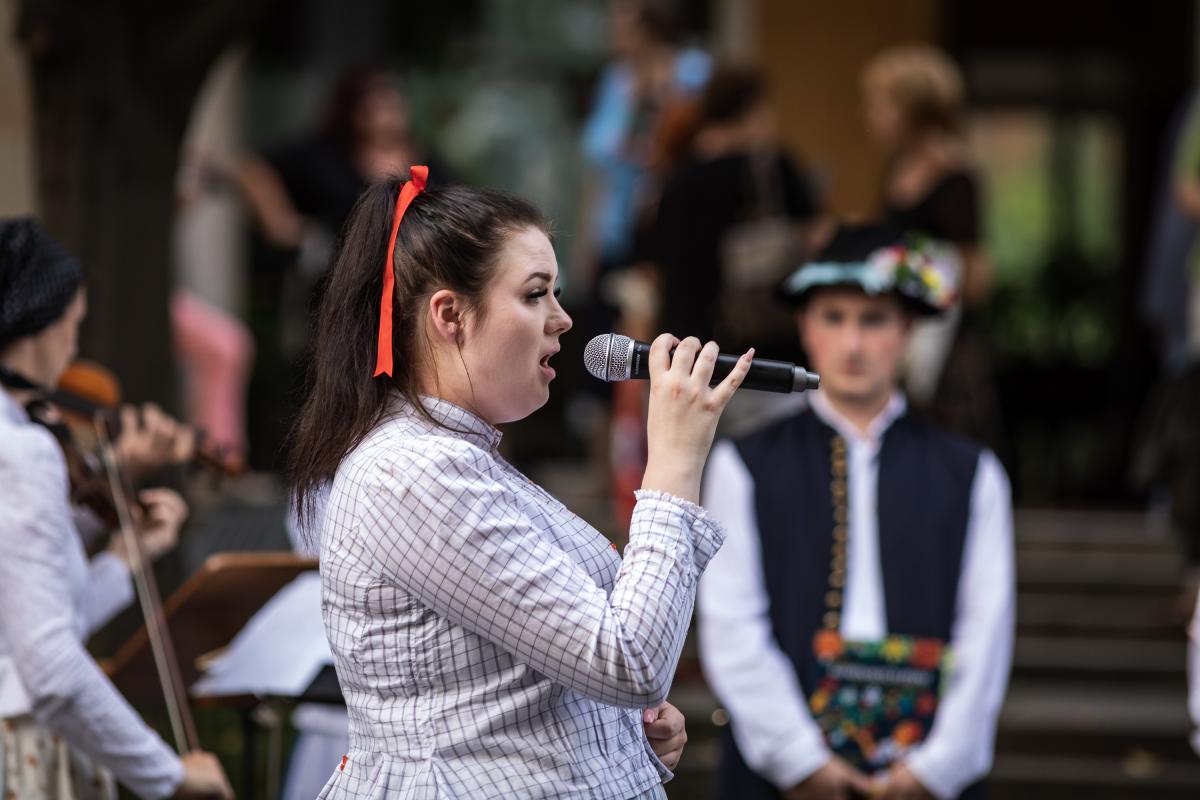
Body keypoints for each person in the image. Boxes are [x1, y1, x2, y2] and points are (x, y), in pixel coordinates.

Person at [287, 168, 752, 798]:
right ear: (450, 314)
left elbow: (522, 688)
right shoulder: (411, 472)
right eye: (535, 295)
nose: (563, 319)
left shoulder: (458, 458)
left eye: (556, 294)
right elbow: (628, 660)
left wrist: (616, 733)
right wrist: (672, 461)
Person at [698, 225, 1014, 800]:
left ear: (907, 329)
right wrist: (800, 761)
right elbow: (733, 626)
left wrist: (933, 770)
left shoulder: (971, 473)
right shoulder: (743, 465)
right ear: (805, 325)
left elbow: (985, 631)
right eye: (833, 317)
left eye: (873, 320)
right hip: (780, 775)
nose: (852, 343)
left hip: (925, 769)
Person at [0, 217, 232, 799]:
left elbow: (33, 620)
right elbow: (50, 668)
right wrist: (170, 776)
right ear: (39, 320)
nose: (74, 347)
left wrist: (125, 555)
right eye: (74, 324)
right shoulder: (23, 451)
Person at [654, 64, 821, 435]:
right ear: (753, 109)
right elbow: (817, 238)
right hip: (764, 358)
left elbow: (657, 262)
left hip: (690, 355)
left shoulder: (677, 179)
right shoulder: (772, 170)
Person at [861, 45, 1002, 455]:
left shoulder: (955, 174)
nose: (872, 116)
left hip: (943, 346)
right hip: (899, 337)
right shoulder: (896, 167)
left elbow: (974, 275)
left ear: (913, 109)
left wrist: (911, 267)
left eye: (882, 104)